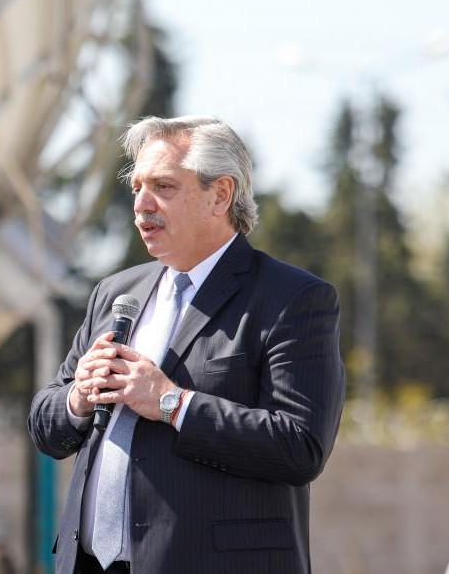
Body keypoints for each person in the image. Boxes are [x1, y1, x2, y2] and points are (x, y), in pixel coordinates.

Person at [28, 116, 345, 574]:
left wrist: (172, 403)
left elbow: (300, 446)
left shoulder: (292, 299)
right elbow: (45, 423)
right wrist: (78, 396)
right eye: (136, 186)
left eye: (163, 186)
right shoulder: (117, 293)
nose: (141, 205)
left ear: (220, 195)